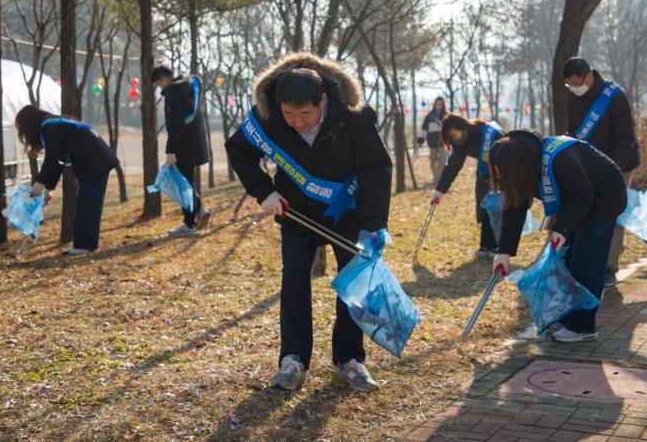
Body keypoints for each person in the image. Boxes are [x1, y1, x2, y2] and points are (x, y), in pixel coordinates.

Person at [225, 53, 392, 393]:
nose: (298, 122)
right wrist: (264, 191)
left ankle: (350, 359)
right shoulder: (267, 117)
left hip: (347, 213)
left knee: (351, 284)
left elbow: (376, 168)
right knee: (295, 282)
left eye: (306, 114)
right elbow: (239, 149)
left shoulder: (351, 117)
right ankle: (293, 359)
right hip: (296, 213)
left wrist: (373, 223)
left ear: (323, 101)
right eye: (290, 114)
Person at [489, 130, 626, 342]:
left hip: (605, 197)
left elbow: (582, 196)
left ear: (519, 167)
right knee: (565, 261)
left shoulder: (559, 158)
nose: (501, 179)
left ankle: (583, 327)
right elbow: (515, 207)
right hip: (576, 203)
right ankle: (567, 317)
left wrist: (562, 229)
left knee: (584, 261)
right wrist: (504, 251)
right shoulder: (528, 164)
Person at [563, 57, 640, 288]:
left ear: (589, 76)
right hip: (588, 163)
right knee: (589, 211)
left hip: (619, 164)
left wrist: (613, 172)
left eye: (578, 83)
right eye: (570, 85)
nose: (575, 89)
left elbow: (625, 140)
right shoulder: (572, 96)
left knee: (613, 212)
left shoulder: (614, 96)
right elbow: (572, 129)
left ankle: (609, 266)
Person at [14, 105, 119, 255]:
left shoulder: (49, 127)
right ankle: (86, 244)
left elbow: (52, 159)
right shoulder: (55, 123)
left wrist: (39, 183)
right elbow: (59, 160)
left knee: (87, 204)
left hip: (96, 160)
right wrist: (47, 189)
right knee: (88, 203)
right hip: (97, 159)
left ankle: (83, 245)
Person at [430, 113, 504, 257]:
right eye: (449, 136)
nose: (453, 137)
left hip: (501, 171)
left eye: (453, 132)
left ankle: (500, 247)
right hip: (484, 173)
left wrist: (498, 178)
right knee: (484, 206)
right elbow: (453, 167)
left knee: (496, 208)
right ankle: (486, 245)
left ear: (460, 125)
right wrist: (439, 191)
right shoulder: (460, 142)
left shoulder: (485, 131)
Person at [151, 66, 211, 237]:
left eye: (158, 83)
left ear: (163, 79)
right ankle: (198, 211)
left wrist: (171, 151)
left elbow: (176, 124)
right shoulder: (188, 86)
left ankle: (190, 223)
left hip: (183, 145)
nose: (159, 87)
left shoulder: (174, 92)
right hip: (196, 142)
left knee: (183, 184)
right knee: (186, 181)